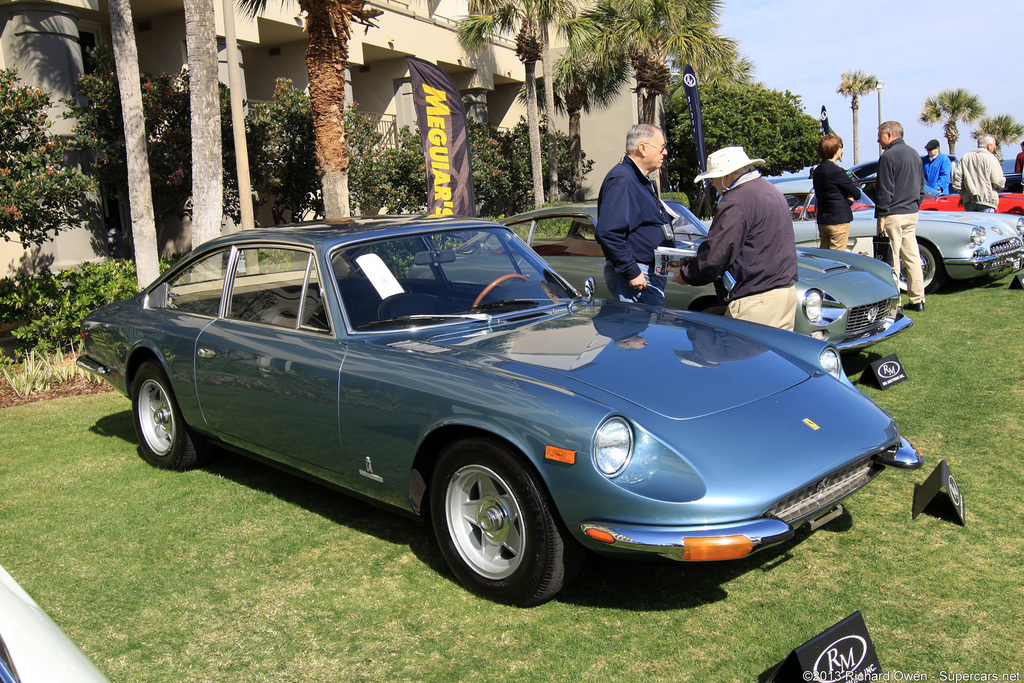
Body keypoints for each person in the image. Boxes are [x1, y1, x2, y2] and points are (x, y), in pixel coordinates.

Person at [676, 146, 798, 330]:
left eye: (713, 180)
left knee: (741, 358)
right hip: (785, 292)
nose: (714, 187)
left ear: (727, 177)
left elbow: (717, 254)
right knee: (773, 358)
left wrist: (686, 274)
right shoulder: (770, 190)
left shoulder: (736, 200)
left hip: (757, 299)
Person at [595, 123, 673, 306]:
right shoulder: (623, 179)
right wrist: (632, 271)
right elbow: (607, 232)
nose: (665, 153)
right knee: (636, 332)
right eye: (662, 147)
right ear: (643, 149)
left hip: (649, 271)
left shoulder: (640, 180)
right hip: (638, 275)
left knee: (646, 333)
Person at [875, 121, 926, 312]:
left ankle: (894, 304)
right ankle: (917, 298)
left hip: (893, 213)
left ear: (889, 134)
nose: (878, 139)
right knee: (913, 257)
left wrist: (881, 215)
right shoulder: (914, 153)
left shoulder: (888, 156)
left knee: (892, 259)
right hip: (911, 212)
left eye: (880, 135)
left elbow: (884, 189)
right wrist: (916, 203)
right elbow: (921, 185)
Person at [811, 134, 861, 251]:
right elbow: (856, 193)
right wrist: (848, 198)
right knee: (837, 257)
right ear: (835, 149)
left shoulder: (817, 171)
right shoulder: (837, 171)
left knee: (825, 255)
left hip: (823, 219)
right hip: (838, 220)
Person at [952, 134, 1005, 212]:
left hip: (969, 201)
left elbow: (957, 180)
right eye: (994, 145)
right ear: (989, 145)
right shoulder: (991, 158)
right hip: (986, 201)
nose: (994, 147)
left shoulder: (966, 157)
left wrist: (963, 194)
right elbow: (998, 181)